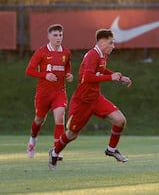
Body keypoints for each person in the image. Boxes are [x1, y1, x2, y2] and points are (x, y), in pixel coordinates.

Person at [48, 28, 132, 170]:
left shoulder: (102, 55)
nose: (113, 46)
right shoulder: (92, 55)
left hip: (96, 98)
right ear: (102, 42)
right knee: (72, 134)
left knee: (120, 120)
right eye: (111, 43)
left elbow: (101, 70)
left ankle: (111, 149)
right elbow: (87, 77)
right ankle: (54, 152)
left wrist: (119, 77)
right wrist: (110, 78)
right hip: (82, 102)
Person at [26, 24, 73, 160]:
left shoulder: (66, 52)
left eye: (60, 35)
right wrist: (44, 75)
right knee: (39, 119)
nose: (58, 38)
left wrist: (69, 75)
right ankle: (32, 140)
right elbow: (29, 70)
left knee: (59, 118)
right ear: (49, 36)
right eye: (55, 35)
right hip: (43, 93)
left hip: (59, 92)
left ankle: (56, 151)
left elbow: (67, 67)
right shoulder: (41, 51)